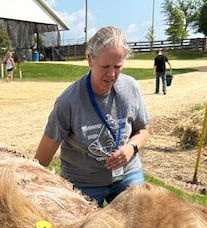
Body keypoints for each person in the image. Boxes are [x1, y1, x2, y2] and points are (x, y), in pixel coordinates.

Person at [34, 26, 150, 208]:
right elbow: (41, 159)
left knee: (140, 226)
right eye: (105, 67)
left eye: (117, 67)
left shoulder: (131, 88)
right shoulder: (68, 102)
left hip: (127, 174)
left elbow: (143, 130)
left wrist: (130, 148)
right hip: (83, 182)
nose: (112, 74)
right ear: (90, 60)